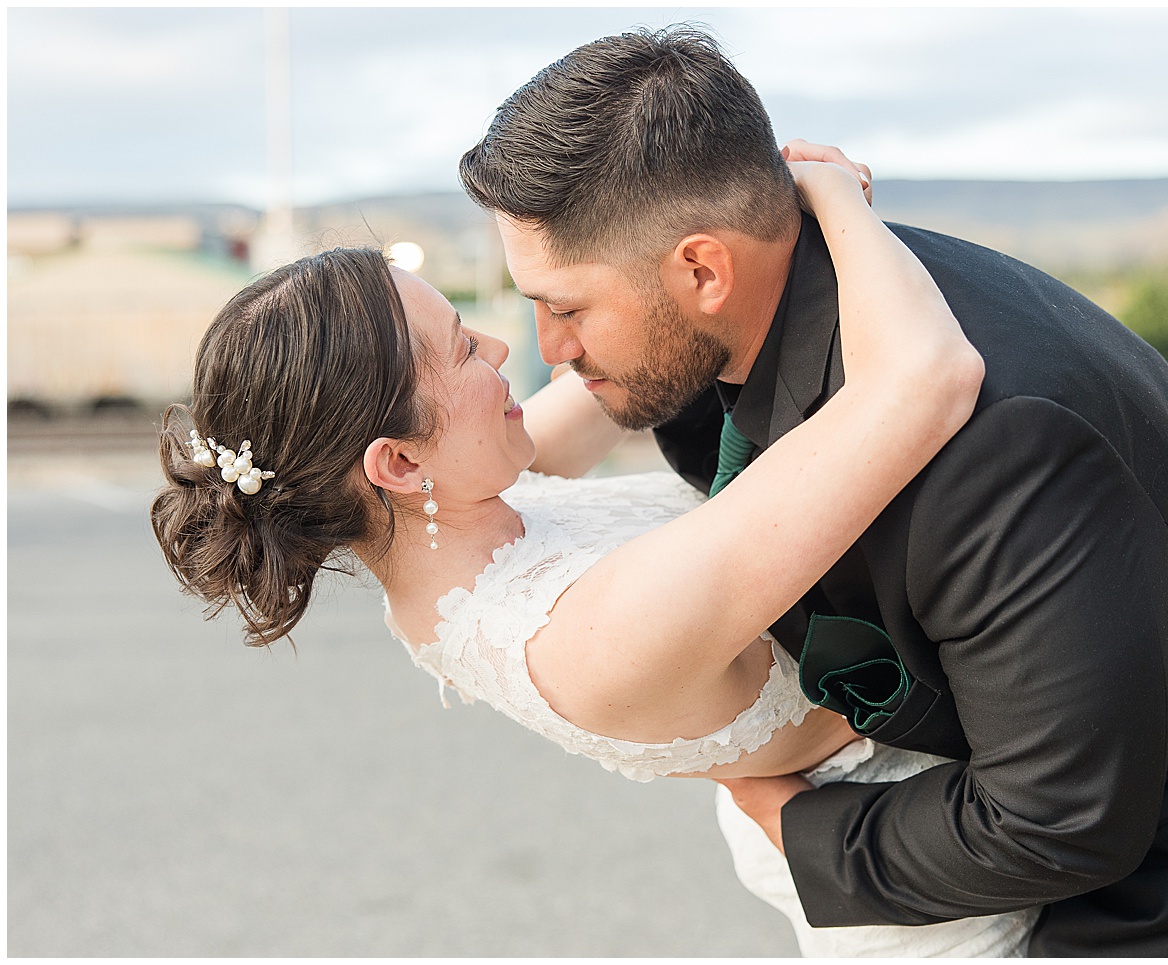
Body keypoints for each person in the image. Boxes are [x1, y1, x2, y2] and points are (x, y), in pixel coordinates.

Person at [457, 26, 1168, 957]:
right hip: (1042, 805)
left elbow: (1060, 817)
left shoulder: (1006, 440)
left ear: (704, 267)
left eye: (565, 306)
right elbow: (521, 456)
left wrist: (796, 821)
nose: (555, 350)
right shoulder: (720, 328)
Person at [152, 158, 1045, 956]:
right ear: (397, 461)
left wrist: (715, 213)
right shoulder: (591, 627)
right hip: (917, 868)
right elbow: (926, 380)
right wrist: (834, 199)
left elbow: (623, 358)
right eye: (465, 350)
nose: (512, 349)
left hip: (875, 798)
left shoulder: (450, 520)